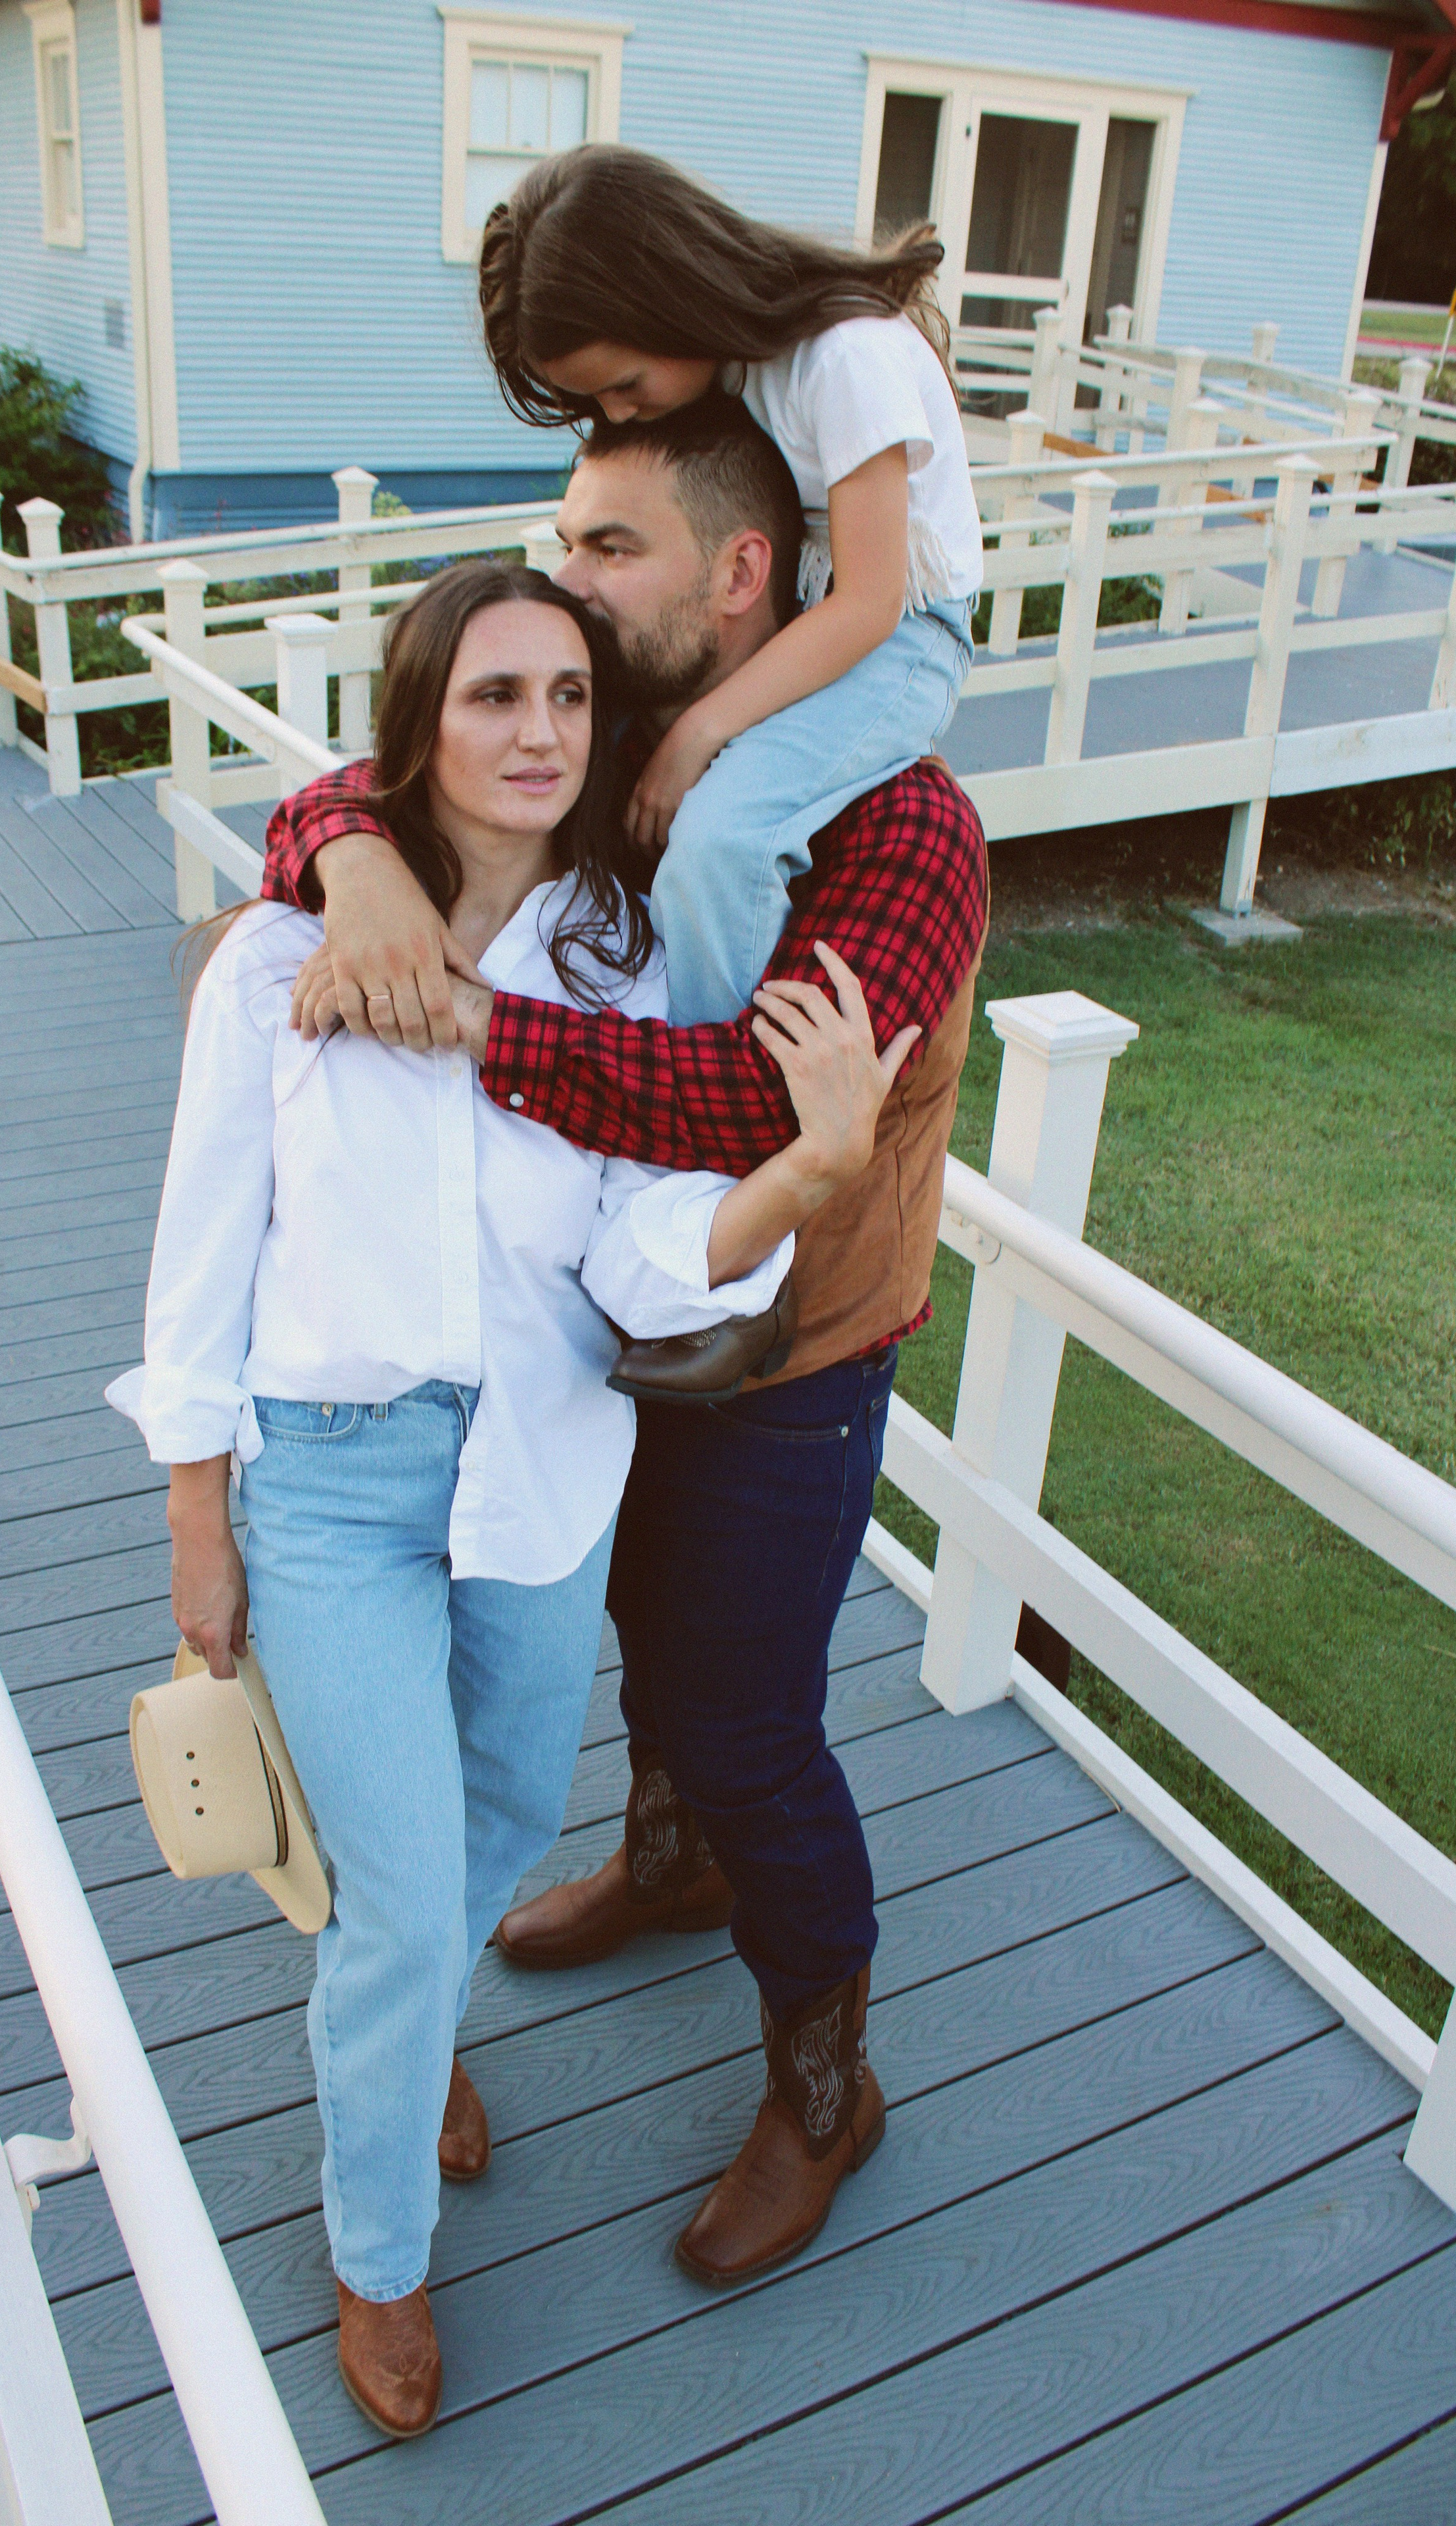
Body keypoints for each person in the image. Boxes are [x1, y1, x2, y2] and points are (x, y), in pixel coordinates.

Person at [107, 561, 917, 2437]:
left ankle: (401, 2038)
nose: (541, 731)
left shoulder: (620, 969)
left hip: (549, 1470)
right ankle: (375, 2250)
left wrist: (804, 1175)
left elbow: (643, 1264)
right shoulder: (274, 960)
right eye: (493, 697)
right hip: (330, 1479)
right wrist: (197, 1521)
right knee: (398, 1901)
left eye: (567, 695)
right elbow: (198, 1254)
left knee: (478, 1819)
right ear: (419, 721)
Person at [266, 398, 990, 2289]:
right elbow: (402, 782)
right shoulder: (654, 765)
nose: (569, 580)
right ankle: (671, 1863)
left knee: (750, 1721)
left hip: (783, 1352)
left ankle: (828, 2082)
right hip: (593, 1331)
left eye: (607, 550)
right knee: (623, 1632)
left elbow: (734, 1110)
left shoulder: (902, 826)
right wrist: (347, 850)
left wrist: (470, 1025)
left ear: (738, 578)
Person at [475, 141, 984, 1026]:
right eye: (600, 405)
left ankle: (698, 1053)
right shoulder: (741, 366)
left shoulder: (846, 359)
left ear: (673, 293)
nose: (622, 416)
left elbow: (871, 602)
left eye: (626, 386)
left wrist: (699, 735)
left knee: (721, 842)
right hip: (822, 617)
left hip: (902, 635)